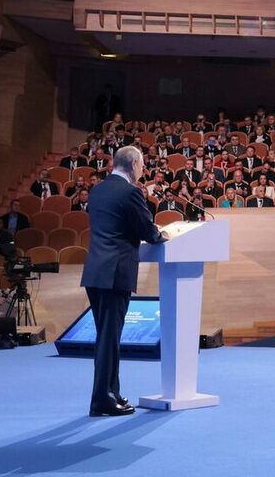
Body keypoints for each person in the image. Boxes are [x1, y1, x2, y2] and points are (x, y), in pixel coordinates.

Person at [81, 146, 166, 417]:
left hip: (96, 271)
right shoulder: (130, 192)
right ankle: (101, 399)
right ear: (132, 164)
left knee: (107, 337)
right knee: (109, 338)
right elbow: (148, 232)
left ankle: (111, 392)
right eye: (142, 166)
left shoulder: (98, 190)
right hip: (115, 273)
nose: (143, 171)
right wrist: (160, 233)